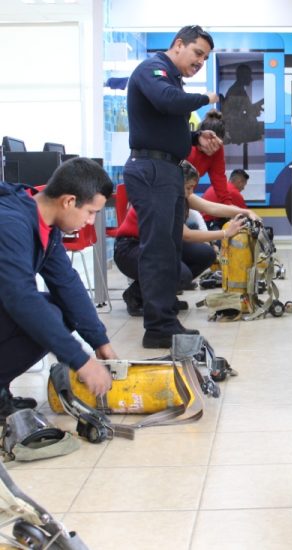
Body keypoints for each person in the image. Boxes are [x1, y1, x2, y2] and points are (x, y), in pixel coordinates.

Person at [124, 24, 221, 349]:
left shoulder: (172, 79)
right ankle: (158, 327)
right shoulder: (153, 69)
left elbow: (163, 121)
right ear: (178, 44)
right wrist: (206, 98)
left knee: (169, 250)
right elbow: (167, 101)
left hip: (166, 169)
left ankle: (165, 320)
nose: (200, 62)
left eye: (205, 58)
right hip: (151, 170)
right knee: (158, 250)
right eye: (197, 54)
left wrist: (194, 137)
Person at [0, 158, 115, 418]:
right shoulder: (11, 223)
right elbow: (21, 300)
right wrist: (81, 360)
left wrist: (100, 342)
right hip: (13, 299)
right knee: (44, 314)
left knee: (60, 309)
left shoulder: (45, 225)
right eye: (90, 212)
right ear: (68, 201)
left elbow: (67, 283)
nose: (90, 221)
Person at [115, 161, 256, 318]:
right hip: (129, 249)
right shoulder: (161, 198)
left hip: (156, 246)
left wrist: (246, 212)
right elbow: (186, 234)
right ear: (175, 183)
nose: (190, 193)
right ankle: (135, 295)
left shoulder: (179, 194)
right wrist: (225, 233)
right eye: (188, 187)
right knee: (182, 275)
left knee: (206, 254)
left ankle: (164, 297)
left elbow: (212, 207)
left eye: (192, 188)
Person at [188, 109, 232, 208]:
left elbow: (219, 178)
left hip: (187, 194)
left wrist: (228, 206)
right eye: (211, 144)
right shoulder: (188, 148)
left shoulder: (218, 150)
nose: (213, 149)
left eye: (217, 145)